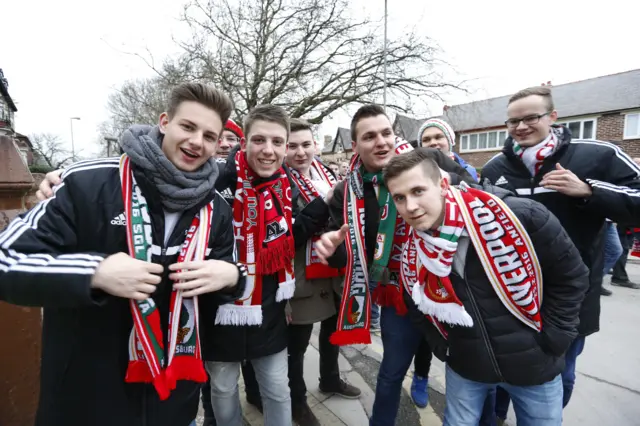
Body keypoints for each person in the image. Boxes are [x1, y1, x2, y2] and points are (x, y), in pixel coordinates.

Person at [0, 82, 246, 426]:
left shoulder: (217, 208)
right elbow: (6, 260)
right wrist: (96, 272)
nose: (196, 142)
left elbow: (221, 287)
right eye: (187, 127)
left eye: (209, 135)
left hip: (173, 403)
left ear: (219, 143)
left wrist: (233, 277)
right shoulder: (87, 182)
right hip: (86, 402)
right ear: (164, 122)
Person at [383, 149, 588, 426]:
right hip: (466, 366)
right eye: (400, 198)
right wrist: (443, 346)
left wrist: (555, 337)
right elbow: (415, 302)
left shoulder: (520, 215)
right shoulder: (411, 249)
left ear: (443, 185)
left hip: (535, 363)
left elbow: (571, 277)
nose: (410, 206)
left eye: (418, 191)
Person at [482, 86, 640, 413]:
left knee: (562, 376)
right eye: (513, 121)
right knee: (502, 378)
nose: (521, 127)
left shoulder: (596, 154)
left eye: (530, 118)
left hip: (571, 296)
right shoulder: (496, 167)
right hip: (510, 292)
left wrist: (588, 190)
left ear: (552, 117)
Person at [314, 104, 474, 426]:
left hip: (449, 290)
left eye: (386, 132)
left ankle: (424, 382)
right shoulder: (348, 191)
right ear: (354, 145)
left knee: (469, 377)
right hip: (398, 295)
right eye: (369, 136)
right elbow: (345, 249)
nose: (381, 142)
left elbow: (476, 195)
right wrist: (331, 250)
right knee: (390, 373)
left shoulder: (428, 161)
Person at [203, 104, 329, 426]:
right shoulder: (215, 178)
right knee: (221, 387)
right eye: (259, 140)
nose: (268, 150)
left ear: (286, 146)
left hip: (270, 305)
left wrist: (316, 215)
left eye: (277, 142)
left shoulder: (289, 184)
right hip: (220, 306)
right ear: (244, 143)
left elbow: (284, 241)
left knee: (276, 388)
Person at [241, 118, 361, 425]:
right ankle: (298, 402)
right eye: (292, 145)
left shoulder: (327, 172)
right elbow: (286, 236)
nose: (300, 152)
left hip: (331, 268)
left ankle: (330, 378)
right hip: (299, 274)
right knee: (297, 345)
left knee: (333, 332)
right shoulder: (277, 182)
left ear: (316, 146)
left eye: (306, 144)